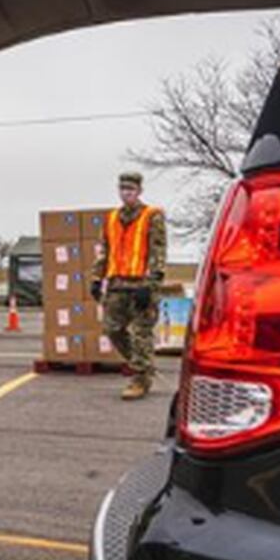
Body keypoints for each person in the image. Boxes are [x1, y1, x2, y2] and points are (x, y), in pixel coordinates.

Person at [89, 171, 167, 401]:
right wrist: (96, 278)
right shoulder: (111, 218)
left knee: (141, 333)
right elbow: (104, 250)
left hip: (141, 284)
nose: (126, 194)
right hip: (117, 284)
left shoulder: (152, 215)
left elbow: (158, 251)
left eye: (131, 190)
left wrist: (151, 283)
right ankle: (142, 364)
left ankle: (140, 378)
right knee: (112, 329)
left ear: (139, 191)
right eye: (123, 189)